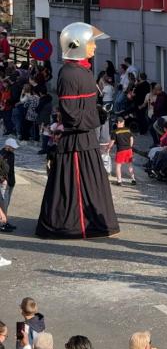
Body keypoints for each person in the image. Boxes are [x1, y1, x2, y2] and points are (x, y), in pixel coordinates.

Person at [36, 23, 119, 238]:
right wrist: (96, 118)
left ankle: (93, 223)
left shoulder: (81, 70)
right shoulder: (70, 73)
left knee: (92, 182)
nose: (94, 47)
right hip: (76, 139)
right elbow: (71, 112)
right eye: (91, 43)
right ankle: (75, 225)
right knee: (74, 183)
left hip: (85, 137)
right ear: (79, 44)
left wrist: (99, 112)